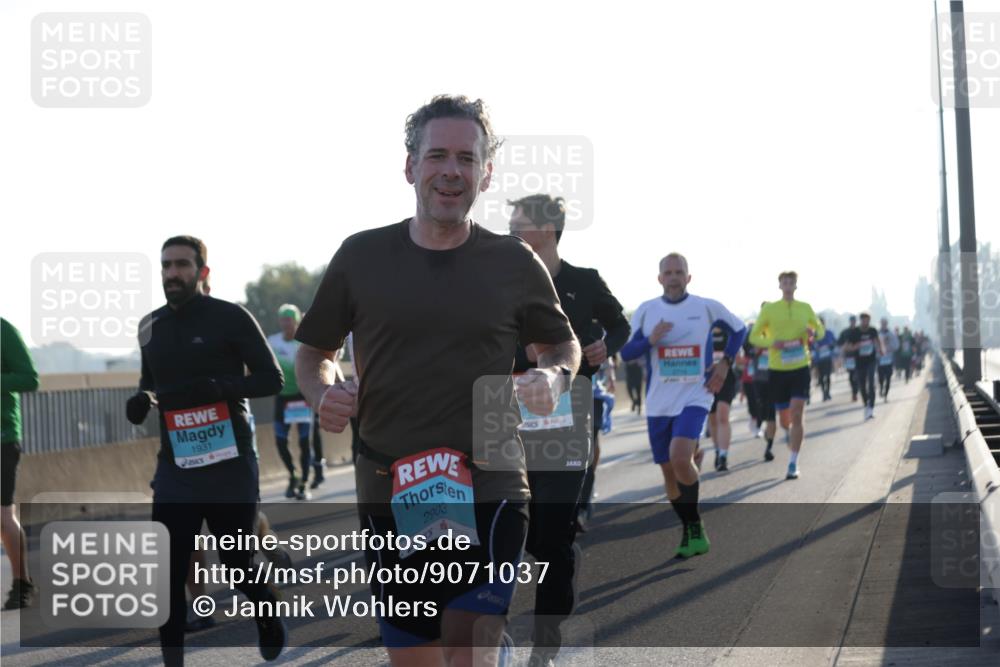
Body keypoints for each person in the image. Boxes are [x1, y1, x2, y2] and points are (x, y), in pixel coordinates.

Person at [293, 95, 580, 667]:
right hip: (389, 485)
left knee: (466, 643)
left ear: (485, 174)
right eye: (438, 155)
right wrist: (324, 393)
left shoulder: (513, 262)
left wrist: (555, 376)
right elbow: (314, 352)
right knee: (418, 658)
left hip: (490, 480)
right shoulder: (360, 256)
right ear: (410, 166)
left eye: (467, 158)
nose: (452, 170)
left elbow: (560, 344)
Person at [125, 236, 286, 666]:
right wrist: (142, 400)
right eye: (165, 266)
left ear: (202, 271)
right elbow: (149, 383)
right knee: (168, 571)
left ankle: (266, 607)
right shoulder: (150, 326)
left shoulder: (230, 317)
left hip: (230, 462)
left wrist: (221, 388)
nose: (172, 273)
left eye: (181, 264)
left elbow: (272, 379)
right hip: (177, 466)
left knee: (236, 563)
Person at [507, 192, 629, 665]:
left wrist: (605, 348)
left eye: (518, 223)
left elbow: (620, 326)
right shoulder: (502, 281)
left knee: (552, 538)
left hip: (568, 416)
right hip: (506, 415)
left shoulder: (584, 281)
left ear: (546, 229)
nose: (511, 230)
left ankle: (546, 643)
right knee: (514, 533)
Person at [621, 253, 746, 559]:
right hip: (659, 402)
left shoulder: (705, 307)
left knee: (679, 457)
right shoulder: (647, 311)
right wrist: (650, 339)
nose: (674, 277)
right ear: (659, 278)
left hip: (695, 395)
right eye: (668, 272)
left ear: (688, 277)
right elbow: (626, 353)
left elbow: (740, 329)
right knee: (669, 473)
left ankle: (694, 526)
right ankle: (691, 526)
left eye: (679, 272)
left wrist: (724, 364)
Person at [749, 271, 824, 480]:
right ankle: (789, 433)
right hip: (778, 370)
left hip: (800, 366)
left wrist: (813, 333)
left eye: (792, 282)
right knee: (784, 420)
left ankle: (793, 462)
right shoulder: (770, 309)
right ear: (780, 286)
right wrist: (772, 343)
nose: (788, 285)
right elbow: (754, 336)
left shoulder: (805, 308)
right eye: (785, 282)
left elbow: (820, 331)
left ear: (796, 286)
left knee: (797, 413)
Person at [1, 318, 39, 610]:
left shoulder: (4, 330)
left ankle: (22, 583)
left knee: (2, 516)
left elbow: (29, 378)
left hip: (2, 438)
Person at [267, 304, 317, 500]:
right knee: (280, 441)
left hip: (302, 397)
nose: (285, 323)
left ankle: (304, 482)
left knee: (304, 441)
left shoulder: (304, 342)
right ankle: (292, 474)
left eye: (289, 319)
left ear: (296, 321)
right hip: (283, 398)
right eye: (282, 319)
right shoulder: (272, 342)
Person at [707, 326, 739, 472]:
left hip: (726, 379)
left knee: (723, 416)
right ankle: (717, 450)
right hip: (708, 380)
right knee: (713, 419)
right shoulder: (704, 332)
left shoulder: (728, 333)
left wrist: (724, 362)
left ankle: (723, 456)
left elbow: (736, 355)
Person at [844, 312, 883, 420]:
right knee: (862, 385)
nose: (866, 322)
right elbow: (847, 347)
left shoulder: (872, 330)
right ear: (860, 320)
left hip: (871, 360)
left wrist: (880, 349)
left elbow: (877, 341)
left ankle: (871, 408)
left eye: (867, 320)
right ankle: (866, 404)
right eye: (864, 320)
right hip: (859, 362)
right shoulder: (855, 332)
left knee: (871, 383)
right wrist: (855, 347)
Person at [812, 318, 836, 401]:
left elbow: (834, 342)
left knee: (828, 376)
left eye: (822, 323)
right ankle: (824, 393)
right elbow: (811, 346)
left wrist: (831, 346)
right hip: (819, 360)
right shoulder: (814, 335)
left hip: (828, 358)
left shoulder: (829, 333)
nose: (821, 325)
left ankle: (828, 392)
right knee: (821, 377)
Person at [837, 315, 860, 401]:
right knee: (851, 375)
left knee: (858, 374)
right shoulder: (845, 332)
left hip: (859, 356)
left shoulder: (859, 330)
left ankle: (857, 390)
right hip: (849, 356)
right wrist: (845, 346)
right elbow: (839, 343)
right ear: (850, 321)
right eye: (851, 321)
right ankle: (854, 392)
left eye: (854, 321)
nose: (853, 322)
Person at [877, 317, 899, 401]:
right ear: (880, 324)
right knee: (881, 377)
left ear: (887, 324)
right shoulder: (877, 334)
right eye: (882, 323)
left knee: (888, 378)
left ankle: (886, 395)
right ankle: (881, 388)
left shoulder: (891, 334)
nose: (883, 324)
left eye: (885, 323)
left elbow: (896, 345)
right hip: (880, 360)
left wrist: (889, 348)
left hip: (889, 359)